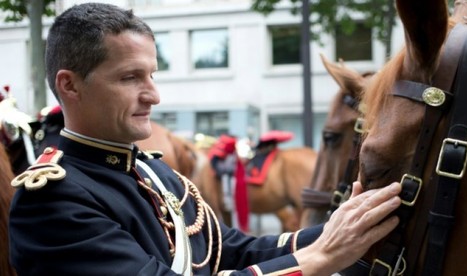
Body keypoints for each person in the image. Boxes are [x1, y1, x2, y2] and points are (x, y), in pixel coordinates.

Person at [8, 3, 402, 275]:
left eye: (152, 75)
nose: (153, 95)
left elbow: (234, 250)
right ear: (70, 85)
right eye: (130, 78)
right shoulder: (50, 200)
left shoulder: (155, 173)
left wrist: (346, 223)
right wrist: (322, 258)